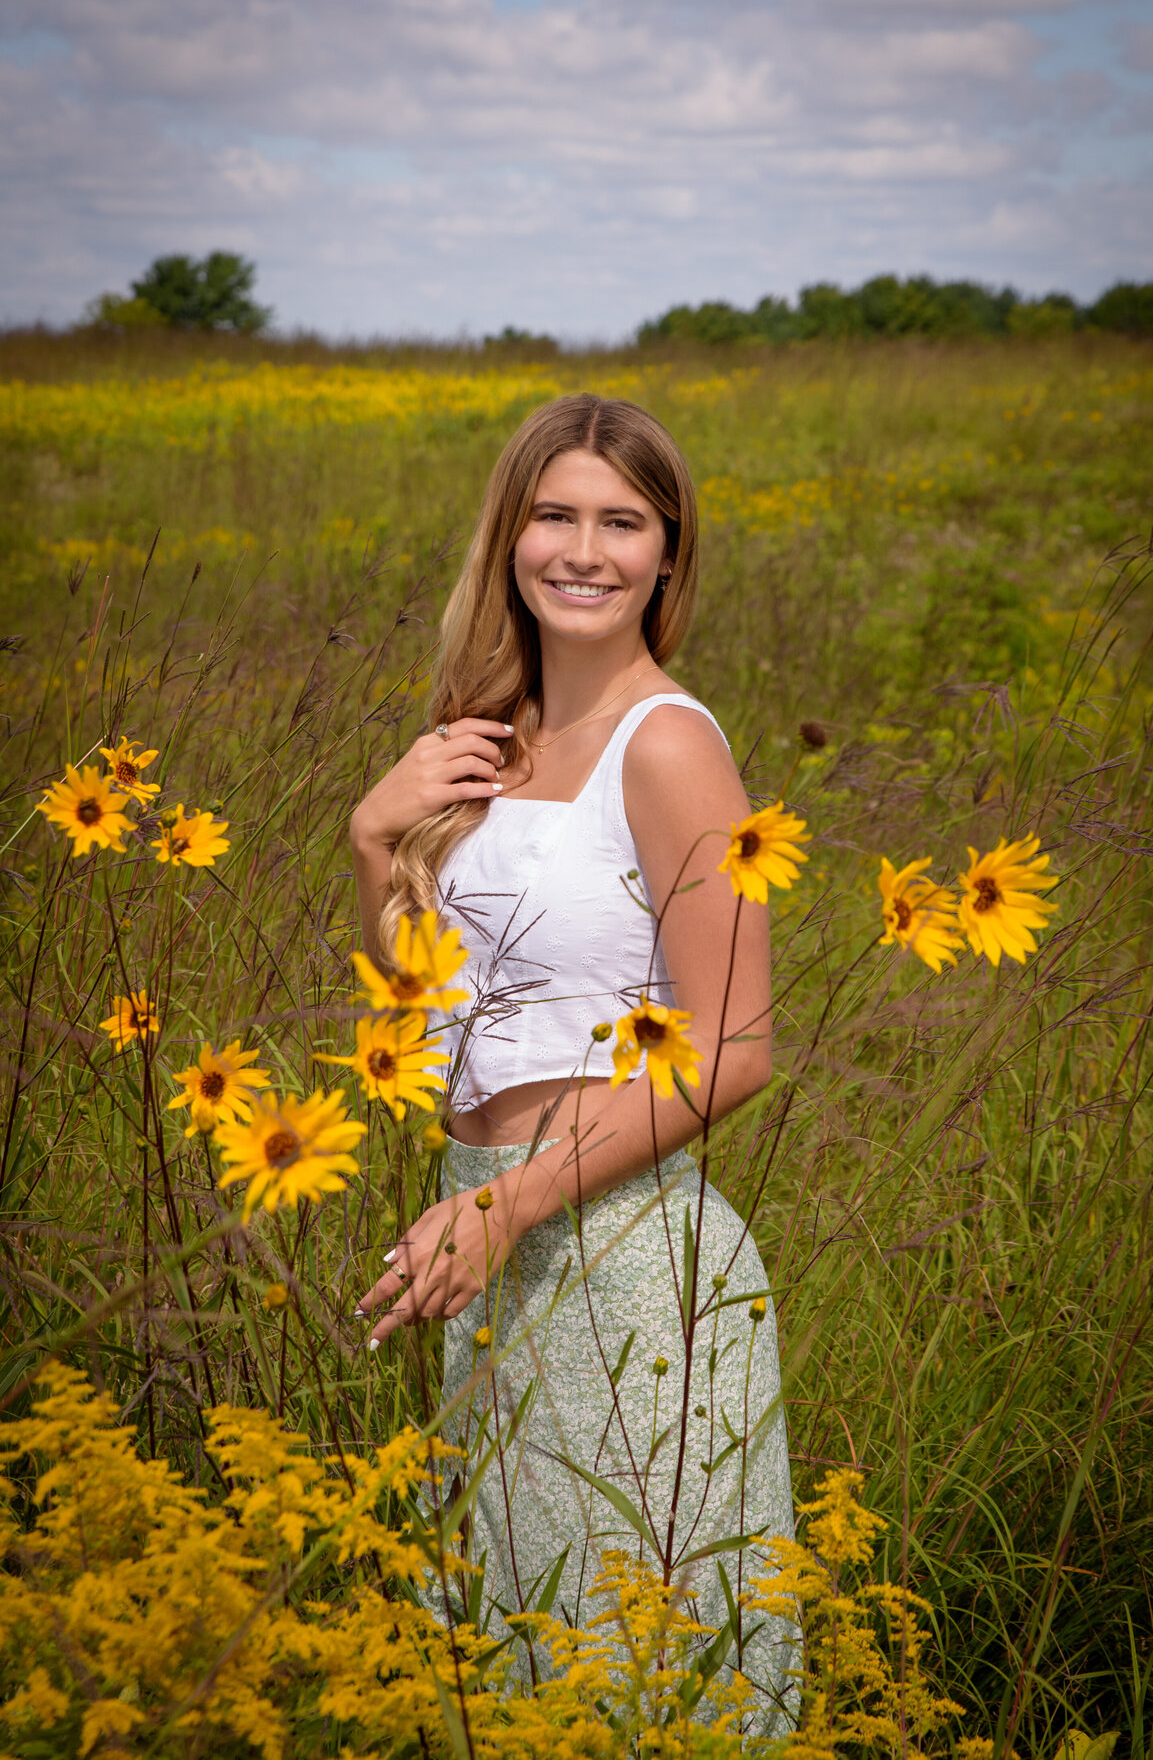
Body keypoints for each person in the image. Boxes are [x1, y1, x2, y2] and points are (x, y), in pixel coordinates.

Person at [350, 394, 795, 1721]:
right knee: (514, 1653)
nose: (584, 550)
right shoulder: (486, 741)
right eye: (555, 514)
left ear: (669, 552)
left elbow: (737, 1044)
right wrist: (375, 843)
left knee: (646, 1675)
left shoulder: (671, 744)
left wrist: (516, 1197)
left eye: (622, 521)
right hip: (477, 1233)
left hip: (628, 1251)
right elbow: (424, 1033)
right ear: (510, 533)